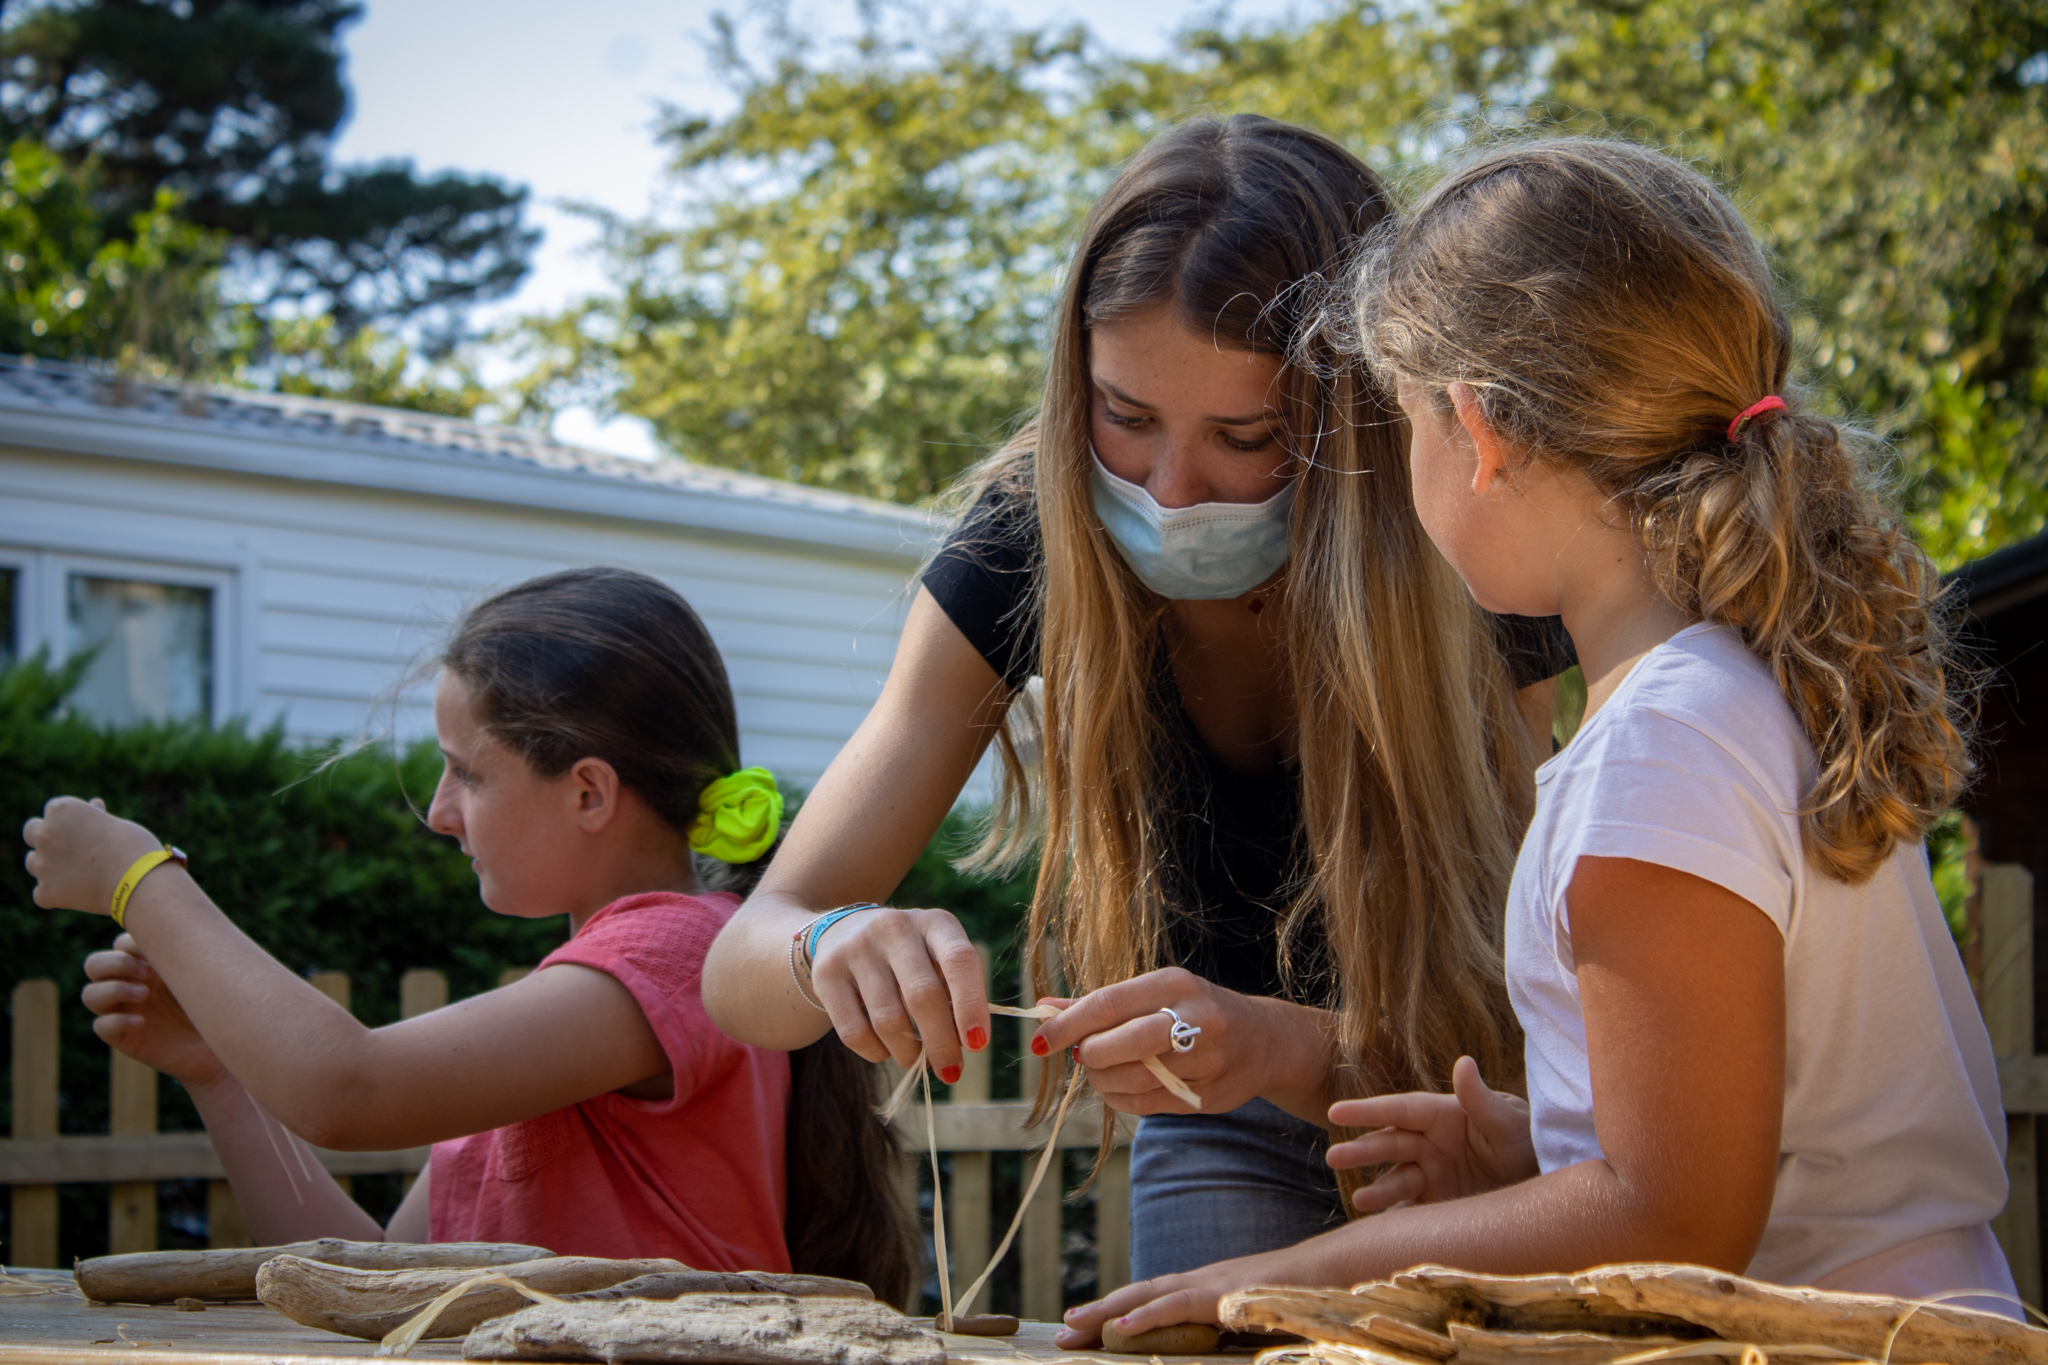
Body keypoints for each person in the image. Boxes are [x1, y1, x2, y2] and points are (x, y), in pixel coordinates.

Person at [1061, 136, 2015, 1342]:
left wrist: (1299, 1270)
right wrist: (1531, 1159)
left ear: (1475, 431)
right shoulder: (1738, 697)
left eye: (1404, 421)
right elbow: (1756, 1144)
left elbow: (1674, 1218)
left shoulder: (1656, 756)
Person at [701, 115, 1575, 1278]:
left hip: (1468, 1119)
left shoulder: (1474, 545)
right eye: (1124, 417)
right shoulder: (1022, 540)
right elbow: (738, 970)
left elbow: (1531, 1002)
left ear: (1360, 414)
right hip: (1212, 1122)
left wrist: (1278, 1043)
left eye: (1244, 435)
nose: (1170, 490)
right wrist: (826, 942)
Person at [24, 567, 916, 1300]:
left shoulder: (682, 954)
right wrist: (217, 1071)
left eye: (467, 773)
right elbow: (370, 1275)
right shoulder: (577, 1014)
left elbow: (347, 1089)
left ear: (589, 792)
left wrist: (140, 879)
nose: (440, 812)